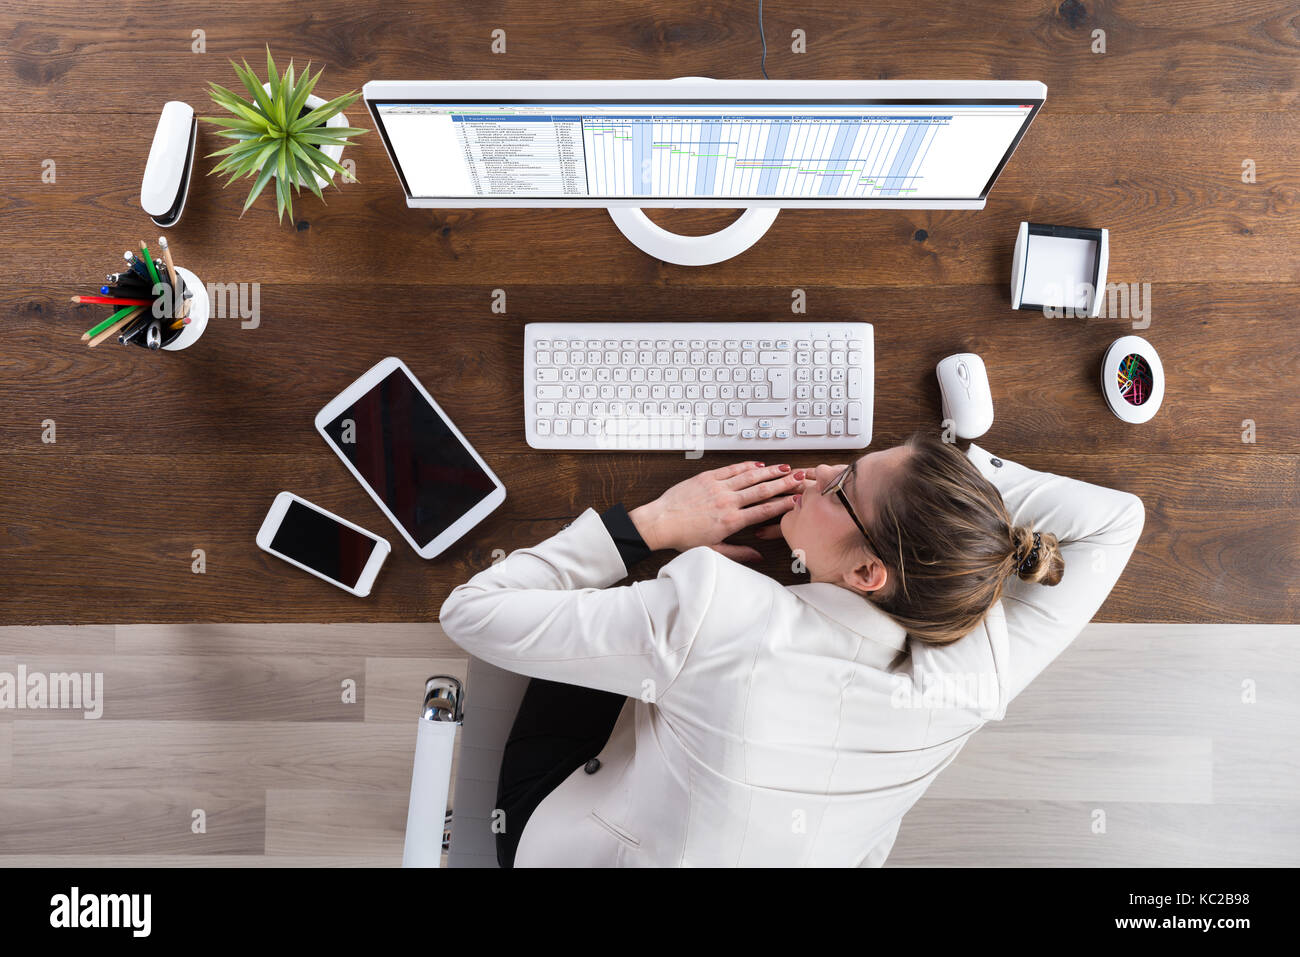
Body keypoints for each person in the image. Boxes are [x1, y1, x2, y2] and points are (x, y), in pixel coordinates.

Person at [439, 434, 1144, 866]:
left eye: (841, 486)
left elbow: (471, 613)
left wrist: (653, 528)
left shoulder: (716, 611)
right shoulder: (976, 680)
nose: (817, 471)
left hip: (569, 845)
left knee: (624, 605)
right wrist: (961, 518)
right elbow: (1117, 521)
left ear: (869, 574)